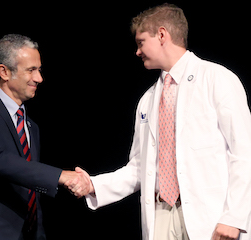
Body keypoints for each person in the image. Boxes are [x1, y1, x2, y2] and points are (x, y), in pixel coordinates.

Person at [66, 3, 251, 240]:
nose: (137, 51)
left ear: (162, 34)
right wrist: (93, 185)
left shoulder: (217, 79)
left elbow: (243, 153)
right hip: (161, 214)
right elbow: (138, 169)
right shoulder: (148, 100)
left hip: (212, 215)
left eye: (141, 42)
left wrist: (233, 217)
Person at [0, 34, 90, 240]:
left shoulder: (31, 126)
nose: (39, 78)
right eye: (31, 70)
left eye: (39, 70)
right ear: (4, 71)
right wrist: (60, 176)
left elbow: (29, 185)